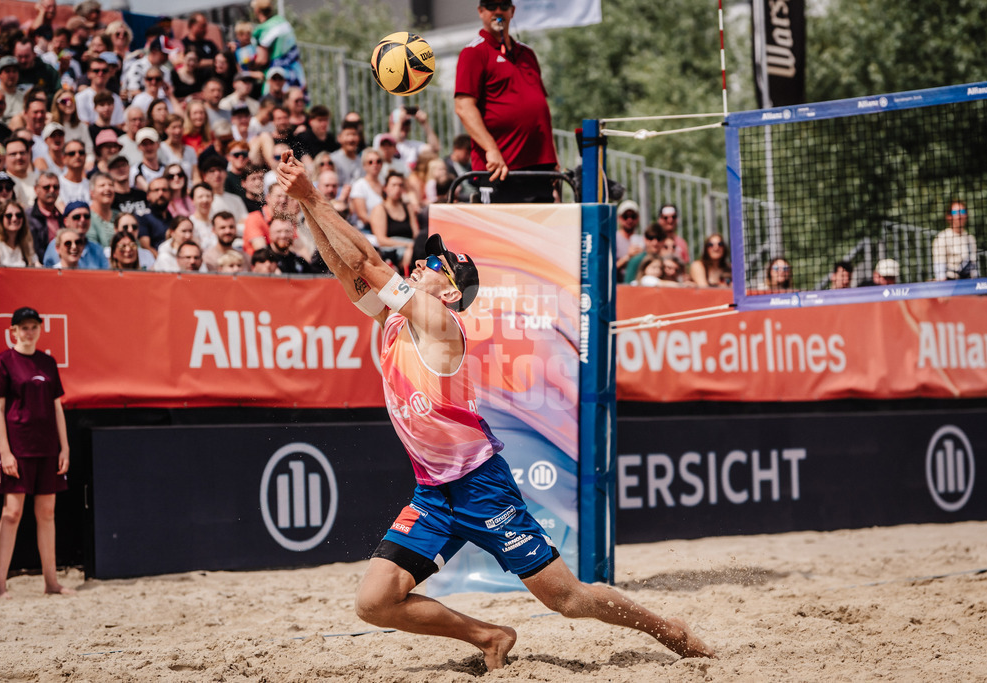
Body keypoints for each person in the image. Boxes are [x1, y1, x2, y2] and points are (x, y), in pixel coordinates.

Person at [274, 150, 713, 669]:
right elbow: (348, 269)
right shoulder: (394, 321)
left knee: (567, 600)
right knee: (374, 601)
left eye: (432, 264)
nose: (419, 262)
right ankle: (489, 637)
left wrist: (312, 196)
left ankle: (668, 628)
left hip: (482, 486)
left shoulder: (439, 321)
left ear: (452, 290)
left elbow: (368, 261)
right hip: (434, 492)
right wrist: (305, 209)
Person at [0, 306, 74, 598]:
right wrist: (5, 452)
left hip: (48, 447)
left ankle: (51, 583)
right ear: (13, 331)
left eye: (33, 326)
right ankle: (1, 586)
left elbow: (57, 406)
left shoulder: (47, 362)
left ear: (40, 329)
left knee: (47, 513)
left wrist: (64, 447)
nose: (28, 332)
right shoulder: (3, 362)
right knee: (12, 513)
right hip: (18, 447)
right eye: (23, 327)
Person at [454, 1, 557, 203]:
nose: (498, 11)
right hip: (500, 168)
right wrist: (491, 149)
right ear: (481, 12)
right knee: (500, 233)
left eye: (503, 5)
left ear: (512, 11)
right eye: (491, 6)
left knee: (539, 233)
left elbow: (539, 109)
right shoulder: (474, 52)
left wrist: (552, 157)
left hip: (538, 168)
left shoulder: (527, 54)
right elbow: (464, 107)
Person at [250, 0, 306, 94]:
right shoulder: (282, 21)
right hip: (296, 70)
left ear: (257, 10)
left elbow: (262, 59)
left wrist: (250, 67)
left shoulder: (263, 29)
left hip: (278, 75)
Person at [370, 171, 419, 272]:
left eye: (400, 185)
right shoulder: (380, 209)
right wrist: (407, 245)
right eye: (394, 185)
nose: (397, 189)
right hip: (390, 251)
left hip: (411, 249)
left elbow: (416, 234)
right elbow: (381, 240)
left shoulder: (408, 207)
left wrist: (412, 246)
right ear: (385, 188)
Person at [42, 202, 108, 268]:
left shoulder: (97, 249)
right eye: (77, 217)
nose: (82, 220)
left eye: (86, 216)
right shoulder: (55, 245)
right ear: (66, 221)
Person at [933, 199, 978, 281]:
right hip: (950, 283)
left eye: (962, 212)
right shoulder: (942, 237)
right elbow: (939, 268)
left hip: (968, 283)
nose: (959, 216)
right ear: (949, 217)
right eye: (955, 212)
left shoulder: (970, 239)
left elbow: (973, 267)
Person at [0, 200, 39, 266]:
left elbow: (39, 268)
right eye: (9, 216)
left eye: (18, 215)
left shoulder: (27, 246)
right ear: (1, 219)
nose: (14, 219)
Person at [27, 171, 62, 255]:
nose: (52, 190)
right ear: (36, 189)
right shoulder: (27, 217)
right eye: (46, 187)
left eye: (56, 187)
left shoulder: (62, 217)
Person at [349, 148, 384, 228]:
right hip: (367, 228)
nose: (375, 164)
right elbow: (362, 216)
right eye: (370, 162)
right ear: (364, 166)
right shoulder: (359, 185)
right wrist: (382, 226)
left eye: (378, 161)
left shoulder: (384, 181)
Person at [138, 176, 173, 255]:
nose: (160, 194)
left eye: (164, 190)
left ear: (170, 194)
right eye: (156, 190)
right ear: (148, 196)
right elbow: (145, 246)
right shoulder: (142, 216)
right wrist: (162, 261)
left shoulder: (173, 218)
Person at [615, 200, 644, 282]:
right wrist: (628, 257)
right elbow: (607, 270)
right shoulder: (613, 239)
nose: (629, 220)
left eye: (633, 216)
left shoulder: (643, 240)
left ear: (638, 218)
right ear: (619, 218)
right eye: (625, 216)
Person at [85, 172, 116, 247]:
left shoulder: (119, 216)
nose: (107, 188)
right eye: (102, 185)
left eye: (111, 185)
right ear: (92, 193)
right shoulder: (85, 217)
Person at [57, 138, 90, 206]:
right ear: (63, 158)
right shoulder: (56, 184)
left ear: (85, 156)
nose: (77, 156)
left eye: (81, 153)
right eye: (72, 153)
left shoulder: (90, 185)